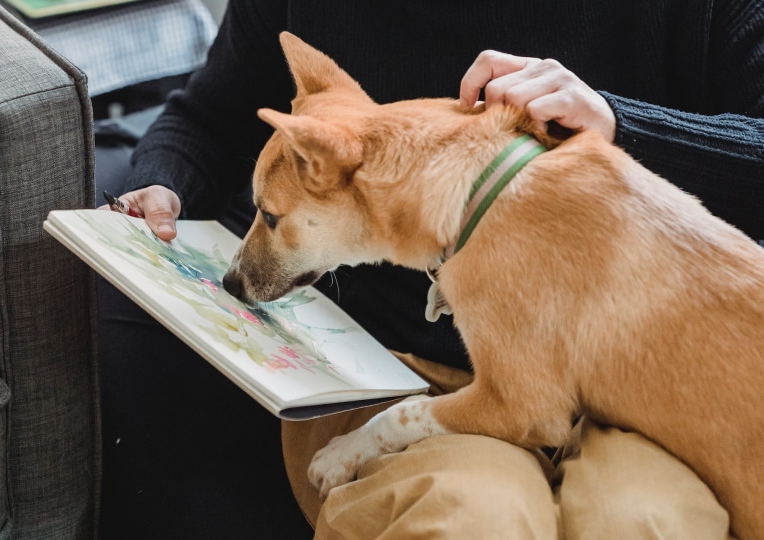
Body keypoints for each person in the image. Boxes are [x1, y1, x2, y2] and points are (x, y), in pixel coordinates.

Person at [95, 0, 764, 537]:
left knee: (648, 521)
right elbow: (208, 117)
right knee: (473, 518)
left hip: (634, 374)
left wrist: (621, 124)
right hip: (389, 364)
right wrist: (161, 185)